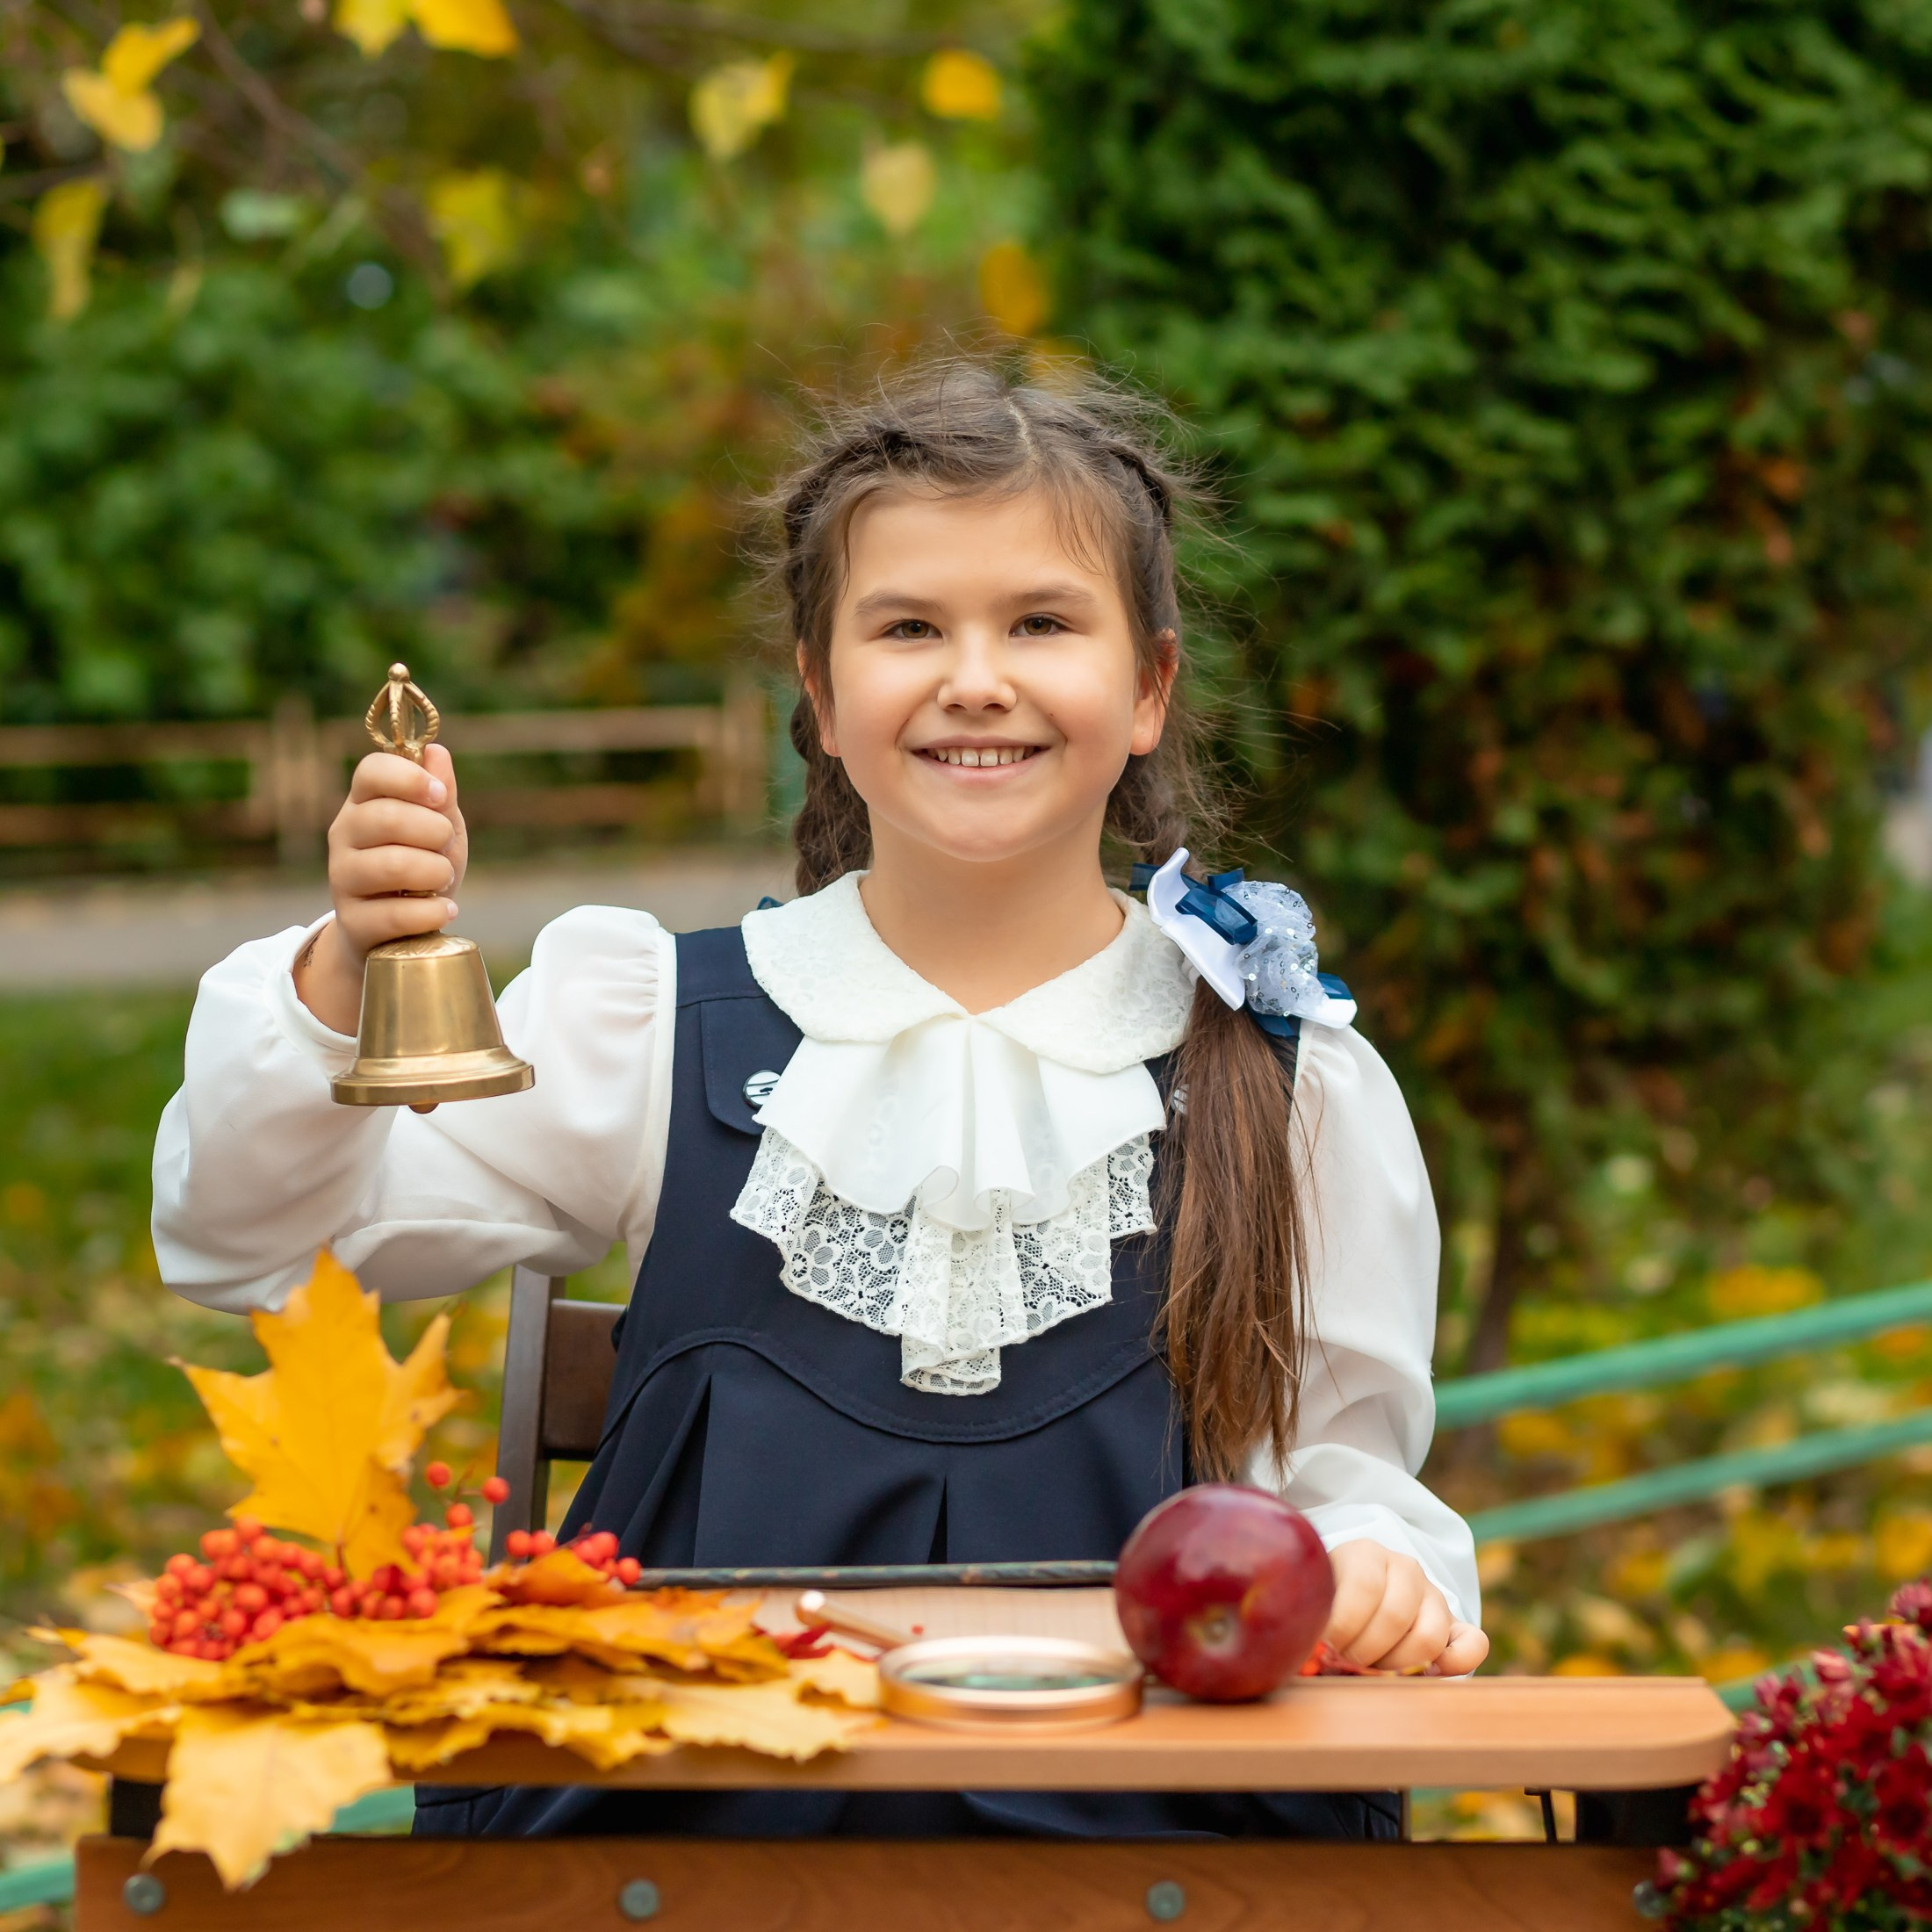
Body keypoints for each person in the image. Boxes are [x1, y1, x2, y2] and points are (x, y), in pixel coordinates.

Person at [153, 357, 1485, 1842]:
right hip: (672, 1854)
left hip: (1146, 1865)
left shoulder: (1285, 1083)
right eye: (909, 626)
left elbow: (1347, 1477)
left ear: (1151, 687)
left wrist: (1376, 1566)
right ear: (821, 691)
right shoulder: (649, 1024)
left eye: (1041, 622)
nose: (975, 676)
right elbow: (255, 1249)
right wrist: (353, 963)